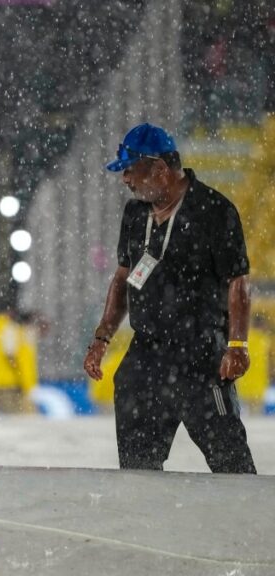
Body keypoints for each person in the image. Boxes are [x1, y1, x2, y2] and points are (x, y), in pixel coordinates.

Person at [83, 123, 255, 473]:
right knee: (137, 469)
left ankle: (247, 521)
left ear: (160, 169)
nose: (126, 180)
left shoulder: (214, 211)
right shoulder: (134, 214)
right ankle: (142, 522)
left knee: (232, 465)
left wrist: (237, 345)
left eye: (131, 171)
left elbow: (238, 282)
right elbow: (122, 278)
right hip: (146, 354)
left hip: (201, 354)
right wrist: (102, 337)